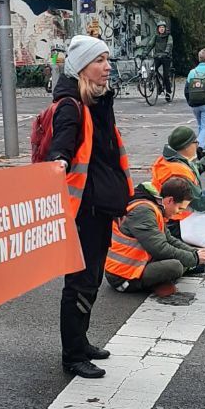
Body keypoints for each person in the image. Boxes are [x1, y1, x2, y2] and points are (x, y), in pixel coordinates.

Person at [48, 34, 133, 380]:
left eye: (107, 59)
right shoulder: (71, 105)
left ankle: (81, 342)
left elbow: (109, 155)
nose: (107, 66)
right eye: (100, 60)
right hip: (83, 211)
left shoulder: (97, 101)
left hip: (100, 208)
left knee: (93, 278)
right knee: (80, 282)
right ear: (83, 67)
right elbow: (62, 147)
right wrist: (59, 162)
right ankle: (72, 355)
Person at [105, 177, 205, 294]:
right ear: (169, 200)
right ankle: (150, 283)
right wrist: (194, 259)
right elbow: (160, 248)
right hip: (122, 276)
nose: (179, 213)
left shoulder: (153, 207)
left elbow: (169, 240)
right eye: (180, 208)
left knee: (179, 260)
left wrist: (194, 252)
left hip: (135, 265)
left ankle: (169, 274)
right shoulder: (144, 211)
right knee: (175, 266)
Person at [151, 21, 174, 101]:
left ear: (165, 28)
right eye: (160, 27)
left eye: (163, 27)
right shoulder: (156, 36)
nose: (161, 29)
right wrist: (144, 53)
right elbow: (150, 44)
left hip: (166, 57)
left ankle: (168, 93)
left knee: (165, 75)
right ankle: (159, 87)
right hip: (157, 56)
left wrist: (166, 52)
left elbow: (169, 44)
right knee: (153, 71)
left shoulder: (169, 36)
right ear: (158, 29)